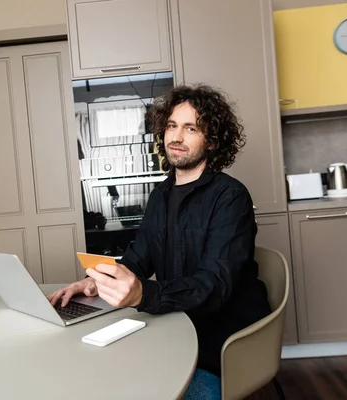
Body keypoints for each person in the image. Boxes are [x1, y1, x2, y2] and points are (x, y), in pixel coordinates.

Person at [47, 84, 271, 399]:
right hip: (175, 323)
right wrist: (93, 283)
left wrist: (143, 293)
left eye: (191, 128)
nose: (176, 137)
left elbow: (215, 285)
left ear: (213, 142)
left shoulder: (230, 196)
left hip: (221, 341)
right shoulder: (161, 195)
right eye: (171, 126)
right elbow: (138, 259)